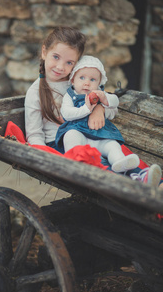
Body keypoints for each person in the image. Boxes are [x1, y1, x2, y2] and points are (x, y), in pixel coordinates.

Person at [25, 26, 162, 187]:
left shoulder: (80, 81)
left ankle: (143, 177)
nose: (61, 67)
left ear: (76, 64)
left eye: (69, 62)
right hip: (61, 144)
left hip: (91, 135)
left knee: (115, 154)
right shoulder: (35, 93)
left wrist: (99, 108)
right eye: (56, 57)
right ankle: (133, 185)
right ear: (44, 52)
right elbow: (34, 135)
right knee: (97, 165)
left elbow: (111, 108)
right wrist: (51, 159)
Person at [55, 55, 140, 173]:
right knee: (70, 136)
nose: (87, 83)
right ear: (73, 80)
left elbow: (115, 103)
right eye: (82, 78)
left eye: (92, 80)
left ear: (99, 83)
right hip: (79, 133)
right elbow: (67, 114)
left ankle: (119, 162)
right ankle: (74, 160)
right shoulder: (69, 96)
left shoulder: (100, 94)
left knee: (112, 145)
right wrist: (86, 109)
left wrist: (104, 99)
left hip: (100, 136)